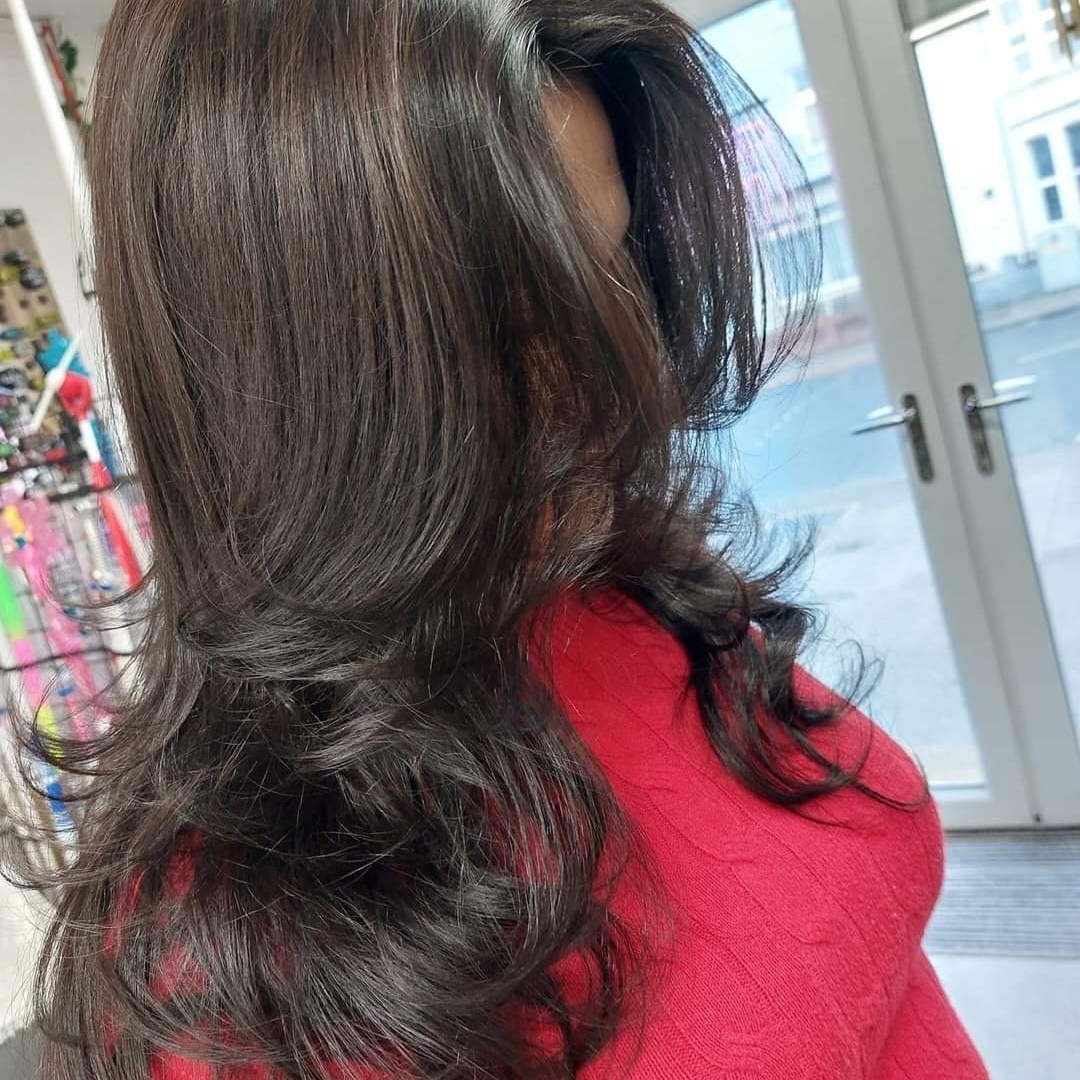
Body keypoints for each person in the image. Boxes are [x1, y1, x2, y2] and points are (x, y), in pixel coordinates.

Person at [11, 1, 988, 1078]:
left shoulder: (622, 592)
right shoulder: (237, 991)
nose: (616, 396)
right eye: (511, 328)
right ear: (288, 381)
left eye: (615, 271)